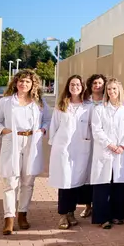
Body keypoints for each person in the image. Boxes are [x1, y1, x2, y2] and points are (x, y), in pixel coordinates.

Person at [0, 69, 51, 235]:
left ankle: (22, 215)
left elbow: (48, 120)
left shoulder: (39, 103)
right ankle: (9, 218)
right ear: (16, 83)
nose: (24, 84)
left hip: (32, 142)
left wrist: (43, 130)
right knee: (11, 181)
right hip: (13, 141)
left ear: (33, 85)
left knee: (28, 181)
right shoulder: (6, 102)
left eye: (28, 82)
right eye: (21, 81)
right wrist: (3, 131)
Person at [48, 75, 92, 230]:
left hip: (81, 149)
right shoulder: (61, 106)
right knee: (64, 181)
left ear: (82, 87)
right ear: (68, 87)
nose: (75, 87)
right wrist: (54, 147)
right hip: (63, 148)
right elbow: (53, 127)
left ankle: (71, 213)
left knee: (75, 182)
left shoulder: (89, 106)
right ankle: (62, 215)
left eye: (78, 84)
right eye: (72, 84)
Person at [90, 78, 124, 229]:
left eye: (114, 89)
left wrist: (122, 146)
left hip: (120, 152)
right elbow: (96, 130)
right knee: (102, 185)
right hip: (104, 151)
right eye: (109, 89)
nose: (111, 92)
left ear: (120, 91)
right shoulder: (99, 109)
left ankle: (117, 215)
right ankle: (102, 218)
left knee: (119, 185)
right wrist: (110, 145)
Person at [79, 73, 106, 219]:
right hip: (87, 141)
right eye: (95, 83)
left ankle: (99, 204)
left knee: (100, 173)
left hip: (102, 143)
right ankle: (88, 205)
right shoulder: (85, 102)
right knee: (87, 173)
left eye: (100, 83)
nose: (97, 86)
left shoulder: (107, 102)